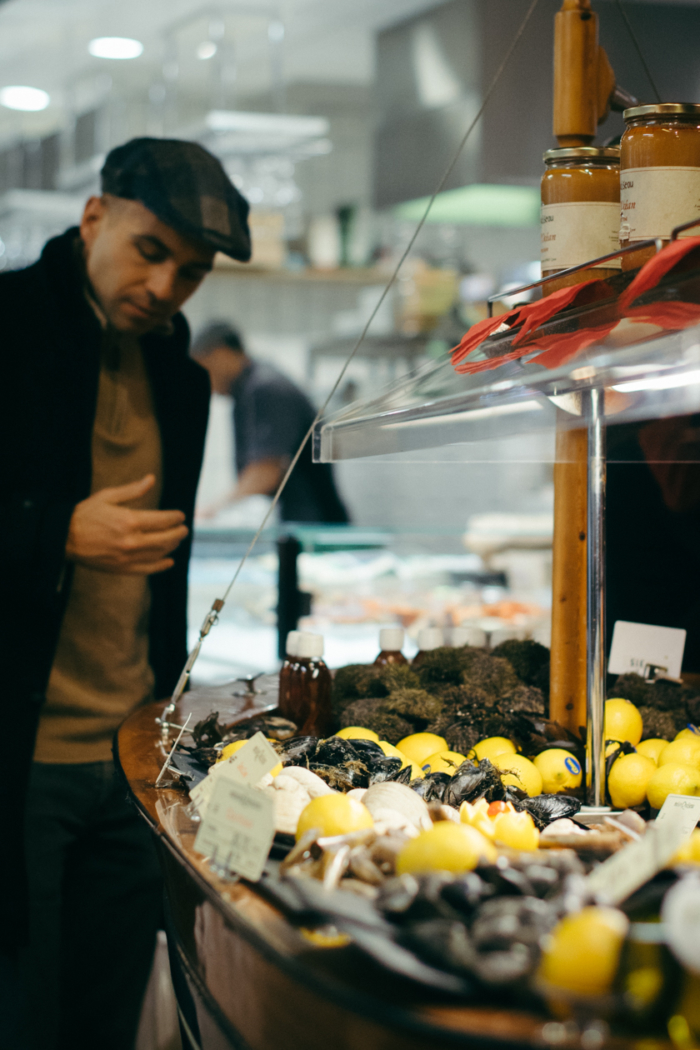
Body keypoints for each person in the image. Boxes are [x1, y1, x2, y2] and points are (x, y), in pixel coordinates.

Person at [0, 137, 251, 1049]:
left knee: (106, 1016)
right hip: (20, 762)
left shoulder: (179, 381)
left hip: (132, 761)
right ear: (94, 217)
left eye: (190, 273)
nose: (166, 287)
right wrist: (54, 533)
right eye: (152, 251)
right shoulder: (9, 326)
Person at [191, 323, 350, 523]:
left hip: (312, 526)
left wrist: (211, 511)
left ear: (221, 354)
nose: (206, 385)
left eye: (204, 371)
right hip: (294, 524)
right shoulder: (246, 391)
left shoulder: (266, 388)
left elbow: (266, 471)